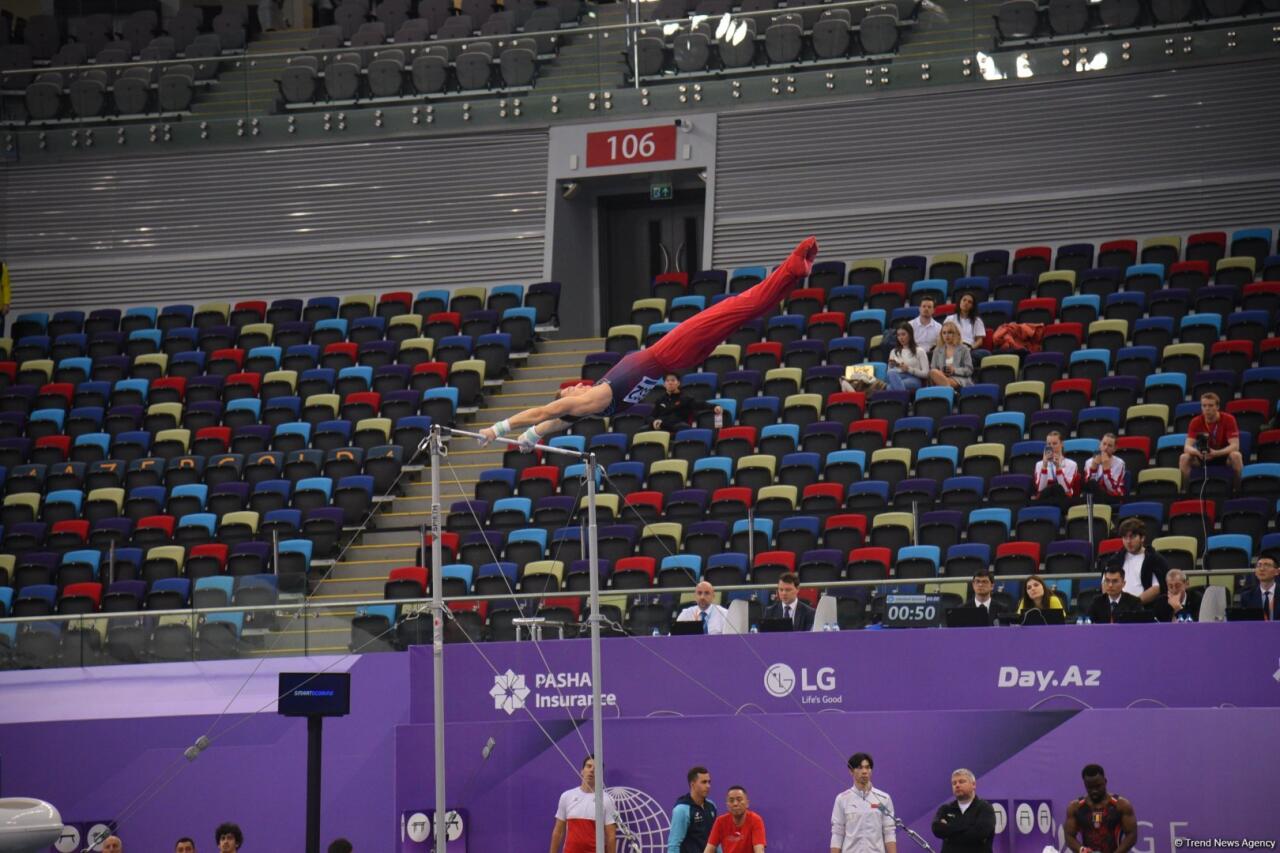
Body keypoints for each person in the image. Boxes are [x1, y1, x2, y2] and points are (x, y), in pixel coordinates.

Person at [479, 238, 819, 450]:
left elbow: (550, 422)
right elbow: (545, 412)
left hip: (679, 357)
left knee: (742, 313)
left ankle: (792, 274)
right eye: (569, 391)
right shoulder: (591, 401)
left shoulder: (588, 403)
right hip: (668, 353)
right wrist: (499, 428)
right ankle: (791, 267)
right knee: (736, 306)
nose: (576, 385)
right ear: (569, 404)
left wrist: (532, 437)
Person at [831, 752, 896, 853]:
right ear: (851, 771)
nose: (864, 771)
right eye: (860, 768)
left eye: (867, 767)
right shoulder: (842, 799)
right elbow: (837, 833)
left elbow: (889, 832)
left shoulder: (884, 798)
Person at [1063, 764, 1138, 853]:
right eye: (1090, 787)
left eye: (1098, 786)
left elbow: (1132, 834)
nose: (1094, 790)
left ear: (1105, 781)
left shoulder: (1121, 805)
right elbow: (1069, 836)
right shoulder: (1075, 807)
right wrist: (1082, 850)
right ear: (1085, 784)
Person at [550, 755, 618, 853]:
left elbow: (611, 836)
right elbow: (558, 831)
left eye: (596, 768)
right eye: (588, 766)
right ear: (582, 771)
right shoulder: (566, 796)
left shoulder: (607, 800)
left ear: (601, 774)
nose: (591, 770)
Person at [1178, 392, 1244, 490]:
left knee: (1236, 456)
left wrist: (1216, 453)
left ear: (1217, 407)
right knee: (1184, 457)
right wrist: (1197, 452)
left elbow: (1235, 446)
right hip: (1203, 456)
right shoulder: (1195, 422)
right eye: (1204, 406)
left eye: (1210, 405)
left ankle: (1238, 491)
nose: (1207, 409)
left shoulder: (1229, 419)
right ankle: (1185, 492)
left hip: (1222, 455)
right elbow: (1187, 447)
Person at [930, 768, 996, 853]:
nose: (957, 785)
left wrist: (948, 831)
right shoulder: (945, 809)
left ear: (973, 784)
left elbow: (979, 834)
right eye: (954, 783)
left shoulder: (985, 808)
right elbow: (937, 829)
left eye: (961, 782)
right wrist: (968, 827)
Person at [1104, 518, 1166, 605]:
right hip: (1118, 610)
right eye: (1125, 537)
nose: (1128, 541)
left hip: (1144, 610)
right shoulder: (1115, 560)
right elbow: (1105, 584)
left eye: (1132, 537)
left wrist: (1133, 604)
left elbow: (1156, 589)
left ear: (1142, 538)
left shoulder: (1154, 559)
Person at [651, 373, 721, 434]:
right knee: (643, 429)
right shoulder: (660, 400)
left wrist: (714, 406)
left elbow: (699, 404)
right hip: (659, 424)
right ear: (664, 384)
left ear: (678, 383)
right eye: (667, 381)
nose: (670, 383)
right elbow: (651, 416)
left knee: (683, 427)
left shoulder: (685, 398)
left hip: (675, 424)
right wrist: (654, 421)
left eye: (673, 380)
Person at [669, 766, 717, 853]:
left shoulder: (711, 806)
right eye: (703, 782)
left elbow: (716, 839)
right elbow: (674, 845)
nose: (708, 786)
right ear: (692, 785)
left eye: (709, 782)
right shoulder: (681, 810)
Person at [704, 786, 765, 853]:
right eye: (731, 800)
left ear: (747, 803)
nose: (735, 804)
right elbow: (709, 849)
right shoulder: (720, 822)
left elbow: (759, 850)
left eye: (739, 800)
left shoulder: (755, 820)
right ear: (727, 805)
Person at [1032, 431, 1077, 511]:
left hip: (1063, 499)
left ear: (1062, 444)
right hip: (1045, 498)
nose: (1051, 446)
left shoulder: (1071, 464)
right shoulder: (1039, 464)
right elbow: (1040, 489)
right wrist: (1045, 466)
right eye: (1049, 444)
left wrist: (1058, 468)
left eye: (1054, 443)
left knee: (1057, 488)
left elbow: (1066, 489)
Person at [1081, 433, 1126, 504]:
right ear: (1100, 445)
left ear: (1114, 449)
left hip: (1113, 496)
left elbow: (1112, 488)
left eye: (1109, 446)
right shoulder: (1089, 462)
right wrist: (1093, 468)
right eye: (1104, 444)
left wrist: (1106, 469)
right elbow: (1088, 486)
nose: (1105, 448)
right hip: (1094, 496)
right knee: (1092, 484)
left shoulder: (1120, 463)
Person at [886, 323, 930, 394]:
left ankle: (902, 398)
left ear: (910, 335)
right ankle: (905, 400)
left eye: (903, 334)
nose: (901, 338)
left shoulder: (919, 351)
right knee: (891, 372)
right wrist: (891, 366)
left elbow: (926, 374)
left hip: (913, 378)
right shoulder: (893, 351)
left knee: (889, 388)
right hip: (897, 376)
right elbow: (889, 372)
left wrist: (909, 369)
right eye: (898, 335)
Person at [928, 323, 974, 389]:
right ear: (941, 335)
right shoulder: (937, 350)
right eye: (944, 333)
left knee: (944, 380)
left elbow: (969, 370)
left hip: (959, 378)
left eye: (949, 332)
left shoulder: (964, 349)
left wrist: (954, 370)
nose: (946, 335)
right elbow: (934, 368)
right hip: (942, 377)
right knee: (933, 372)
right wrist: (941, 372)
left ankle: (948, 389)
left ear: (955, 334)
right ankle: (950, 390)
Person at [1237, 556, 1278, 620]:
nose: (1262, 569)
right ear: (1255, 572)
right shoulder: (1247, 596)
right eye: (1259, 566)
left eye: (1267, 565)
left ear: (1277, 572)